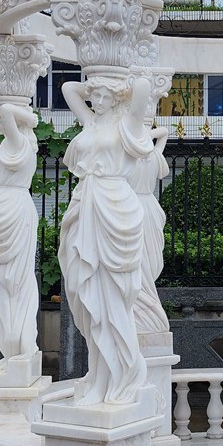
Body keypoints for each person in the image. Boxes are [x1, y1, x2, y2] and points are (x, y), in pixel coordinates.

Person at [59, 75, 153, 405]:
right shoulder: (90, 121)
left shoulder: (128, 122)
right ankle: (98, 377)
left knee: (113, 300)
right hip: (86, 203)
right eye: (93, 96)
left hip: (115, 206)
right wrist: (94, 86)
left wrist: (117, 86)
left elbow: (142, 87)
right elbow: (67, 89)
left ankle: (120, 376)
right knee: (86, 296)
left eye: (101, 96)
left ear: (115, 98)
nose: (94, 100)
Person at [0, 103, 40, 367]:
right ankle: (13, 347)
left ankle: (20, 345)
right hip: (2, 208)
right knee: (5, 280)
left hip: (11, 210)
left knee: (14, 280)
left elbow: (7, 109)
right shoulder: (17, 144)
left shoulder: (19, 143)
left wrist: (27, 117)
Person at [129, 122, 171, 333]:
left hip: (138, 207)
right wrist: (149, 134)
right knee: (141, 260)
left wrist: (143, 133)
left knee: (147, 262)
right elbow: (163, 132)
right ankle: (140, 305)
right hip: (144, 208)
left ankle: (144, 303)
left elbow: (162, 132)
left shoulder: (138, 157)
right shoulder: (151, 155)